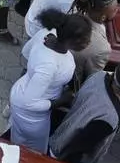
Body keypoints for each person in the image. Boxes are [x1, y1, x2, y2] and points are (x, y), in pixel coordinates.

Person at [8, 10, 92, 152]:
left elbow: (26, 52)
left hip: (24, 89)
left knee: (17, 139)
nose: (89, 42)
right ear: (72, 40)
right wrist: (62, 100)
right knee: (34, 151)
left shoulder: (46, 34)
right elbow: (29, 102)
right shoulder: (49, 66)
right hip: (31, 114)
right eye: (86, 39)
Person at [50, 58, 120, 163]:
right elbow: (82, 148)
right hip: (62, 156)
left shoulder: (98, 76)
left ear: (116, 70)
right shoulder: (111, 117)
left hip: (59, 133)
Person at [66, 0, 116, 85]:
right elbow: (91, 80)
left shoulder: (76, 14)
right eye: (115, 10)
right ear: (103, 17)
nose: (118, 10)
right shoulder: (102, 49)